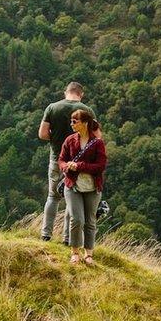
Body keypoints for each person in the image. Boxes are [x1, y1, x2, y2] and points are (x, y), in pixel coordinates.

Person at [38, 82, 97, 243]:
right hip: (77, 164)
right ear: (81, 94)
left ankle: (46, 234)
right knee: (73, 198)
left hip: (56, 159)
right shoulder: (87, 111)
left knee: (52, 197)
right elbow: (96, 137)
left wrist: (57, 139)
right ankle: (66, 238)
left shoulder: (52, 108)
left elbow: (42, 134)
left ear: (66, 92)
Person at [59, 109, 107, 266]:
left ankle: (89, 254)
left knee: (90, 221)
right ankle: (74, 252)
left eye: (75, 121)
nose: (72, 124)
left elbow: (100, 166)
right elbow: (61, 161)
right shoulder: (69, 140)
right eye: (71, 121)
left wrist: (79, 166)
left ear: (85, 123)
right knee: (77, 219)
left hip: (92, 187)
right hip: (73, 186)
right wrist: (67, 166)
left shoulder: (98, 143)